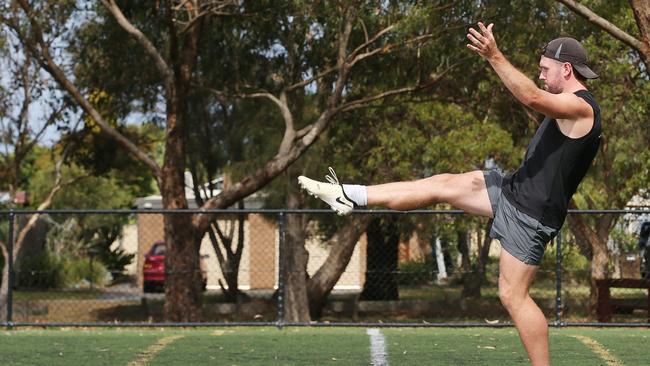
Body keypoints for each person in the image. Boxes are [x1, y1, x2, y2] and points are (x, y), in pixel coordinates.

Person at [298, 22, 601, 366]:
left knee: (513, 295)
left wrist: (494, 55)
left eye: (545, 69)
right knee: (440, 184)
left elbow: (531, 97)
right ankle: (347, 194)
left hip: (531, 213)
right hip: (513, 190)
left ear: (566, 69)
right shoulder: (567, 102)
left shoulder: (583, 109)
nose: (541, 75)